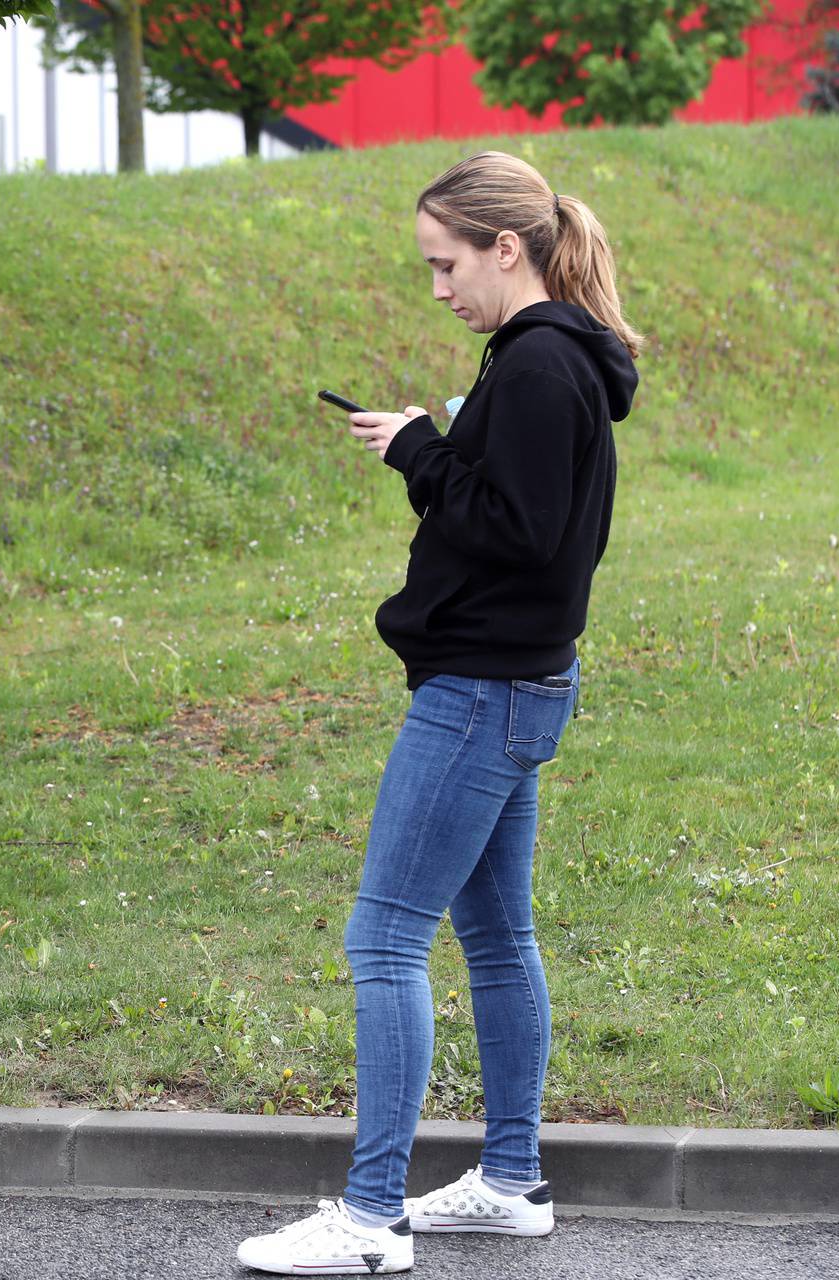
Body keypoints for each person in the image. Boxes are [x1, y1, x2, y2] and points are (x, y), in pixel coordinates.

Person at [237, 151, 641, 1276]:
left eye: (445, 263)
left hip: (480, 692)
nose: (438, 287)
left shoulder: (539, 368)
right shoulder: (546, 362)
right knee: (497, 937)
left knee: (384, 938)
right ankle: (510, 1182)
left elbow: (517, 530)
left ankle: (370, 1219)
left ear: (504, 246)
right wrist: (437, 440)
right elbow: (520, 511)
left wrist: (421, 446)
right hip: (516, 685)